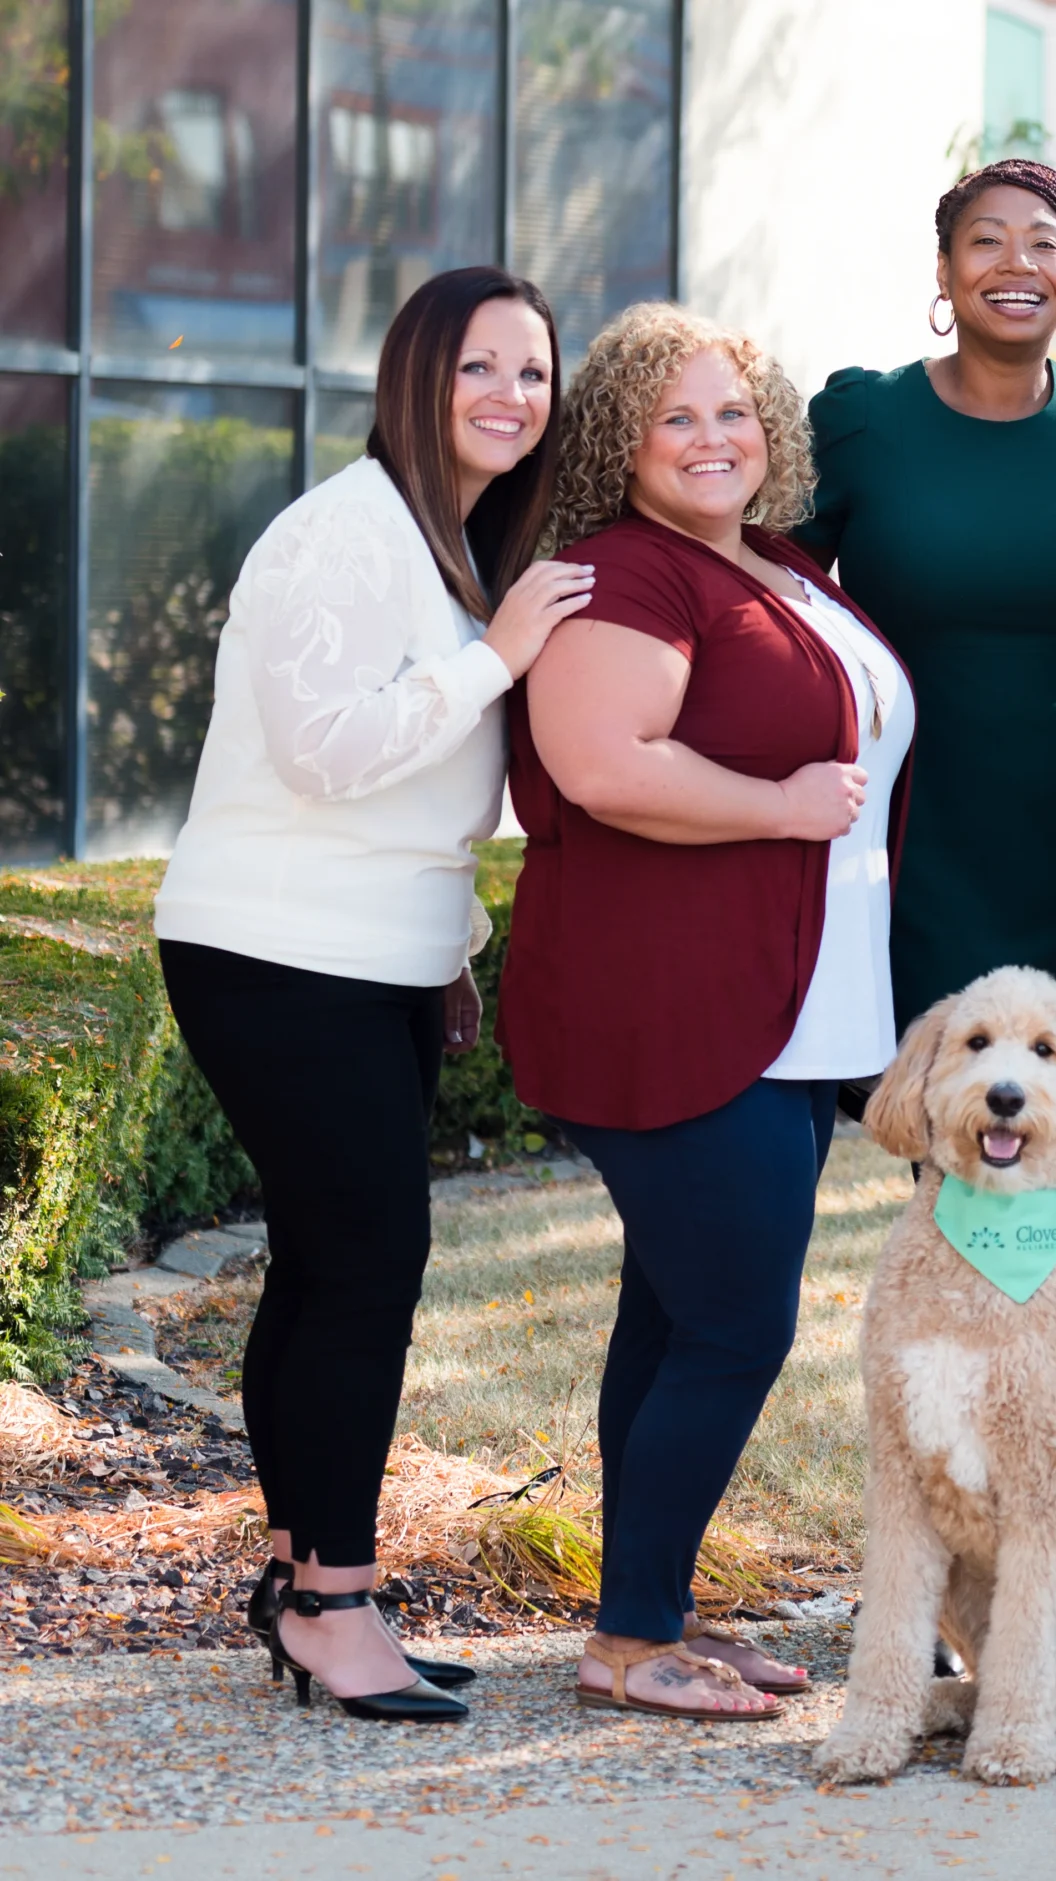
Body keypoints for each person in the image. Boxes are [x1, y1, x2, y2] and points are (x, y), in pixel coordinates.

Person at [154, 266, 591, 1721]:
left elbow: (406, 805)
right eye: (480, 368)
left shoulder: (441, 538)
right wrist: (497, 660)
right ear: (415, 374)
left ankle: (301, 1579)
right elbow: (327, 750)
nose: (510, 398)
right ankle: (339, 1607)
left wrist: (446, 946)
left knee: (323, 1271)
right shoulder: (341, 532)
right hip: (283, 955)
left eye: (533, 374)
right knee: (363, 1276)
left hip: (372, 958)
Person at [500, 304, 913, 1721]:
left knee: (674, 1320)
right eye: (676, 416)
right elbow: (603, 763)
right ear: (621, 438)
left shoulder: (775, 566)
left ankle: (647, 1614)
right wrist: (782, 808)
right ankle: (629, 1639)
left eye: (734, 410)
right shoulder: (623, 574)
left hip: (790, 1014)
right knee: (736, 1325)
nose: (713, 437)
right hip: (670, 1007)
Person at [794, 159, 1056, 1039]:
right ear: (943, 274)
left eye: (1042, 243)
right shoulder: (863, 422)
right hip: (909, 825)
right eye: (985, 242)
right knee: (944, 1110)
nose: (1014, 263)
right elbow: (761, 577)